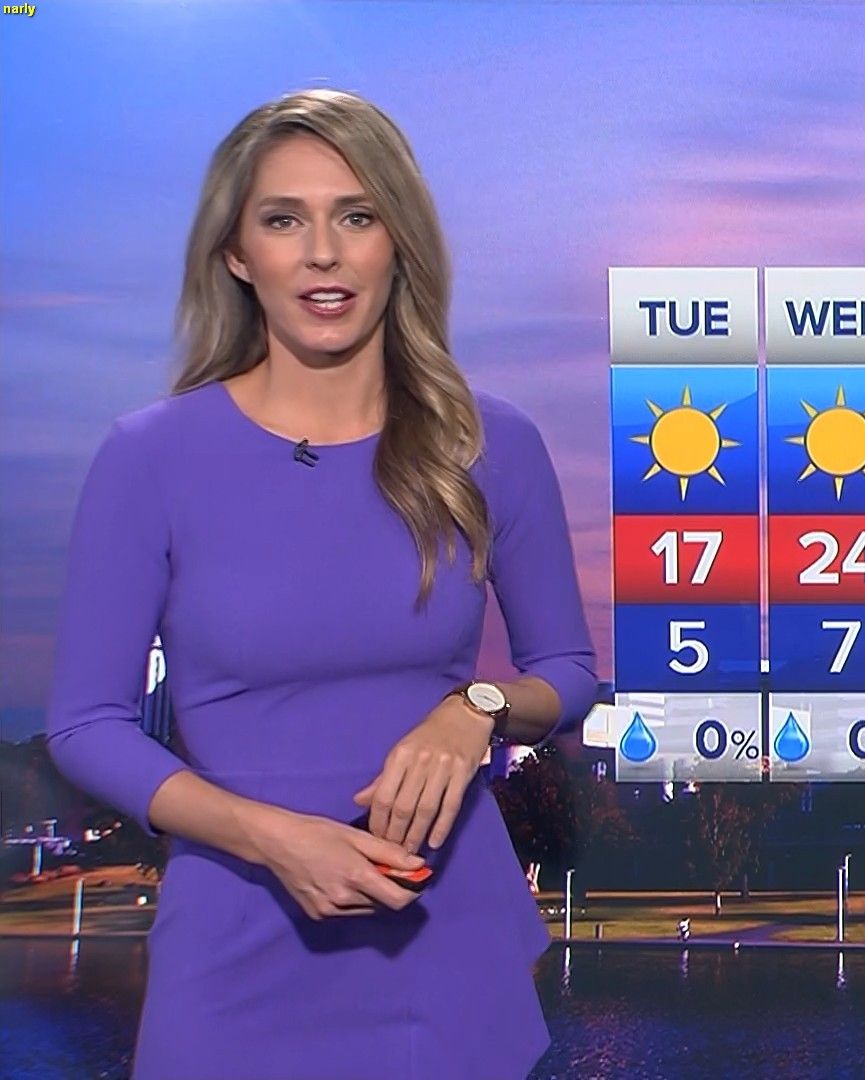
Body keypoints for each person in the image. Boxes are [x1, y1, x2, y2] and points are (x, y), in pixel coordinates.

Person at [43, 88, 597, 1080]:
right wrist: (272, 840)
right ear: (236, 254)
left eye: (357, 216)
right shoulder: (150, 458)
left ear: (399, 241)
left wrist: (475, 709)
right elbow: (86, 723)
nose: (324, 254)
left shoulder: (494, 445)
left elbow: (568, 672)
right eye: (283, 220)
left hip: (445, 951)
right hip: (233, 951)